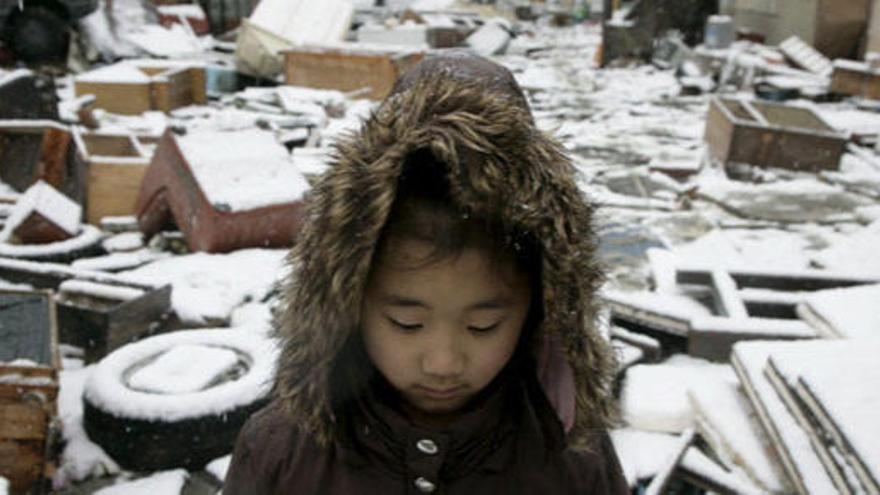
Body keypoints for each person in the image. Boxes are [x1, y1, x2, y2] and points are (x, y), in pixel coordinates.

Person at [224, 52, 628, 494]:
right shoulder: (282, 454)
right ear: (347, 299)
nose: (442, 363)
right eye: (407, 323)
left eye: (483, 326)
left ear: (541, 308)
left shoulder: (573, 460)